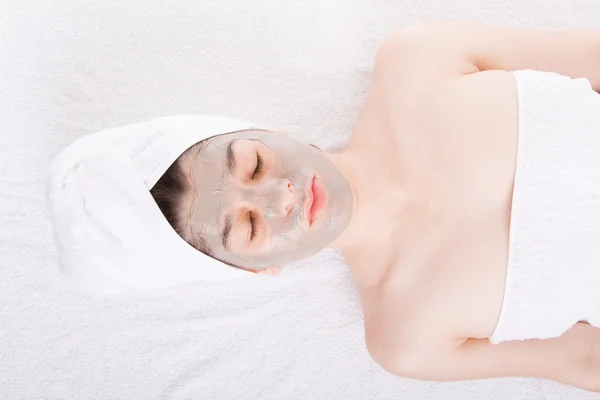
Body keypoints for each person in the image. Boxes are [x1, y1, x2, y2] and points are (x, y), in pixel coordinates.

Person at [51, 20, 600, 391]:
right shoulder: (404, 340)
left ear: (271, 131)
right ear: (258, 269)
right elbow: (585, 361)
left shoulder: (417, 61)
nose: (279, 195)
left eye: (255, 164)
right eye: (247, 225)